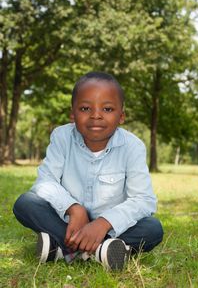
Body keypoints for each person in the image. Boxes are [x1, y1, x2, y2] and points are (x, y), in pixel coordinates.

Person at [13, 71, 163, 271]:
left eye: (108, 108)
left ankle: (62, 249)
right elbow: (45, 181)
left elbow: (144, 200)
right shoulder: (62, 137)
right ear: (73, 114)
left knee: (152, 228)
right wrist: (74, 208)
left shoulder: (133, 146)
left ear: (121, 116)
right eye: (85, 108)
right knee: (25, 203)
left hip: (110, 227)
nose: (96, 115)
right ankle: (101, 252)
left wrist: (103, 223)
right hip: (68, 223)